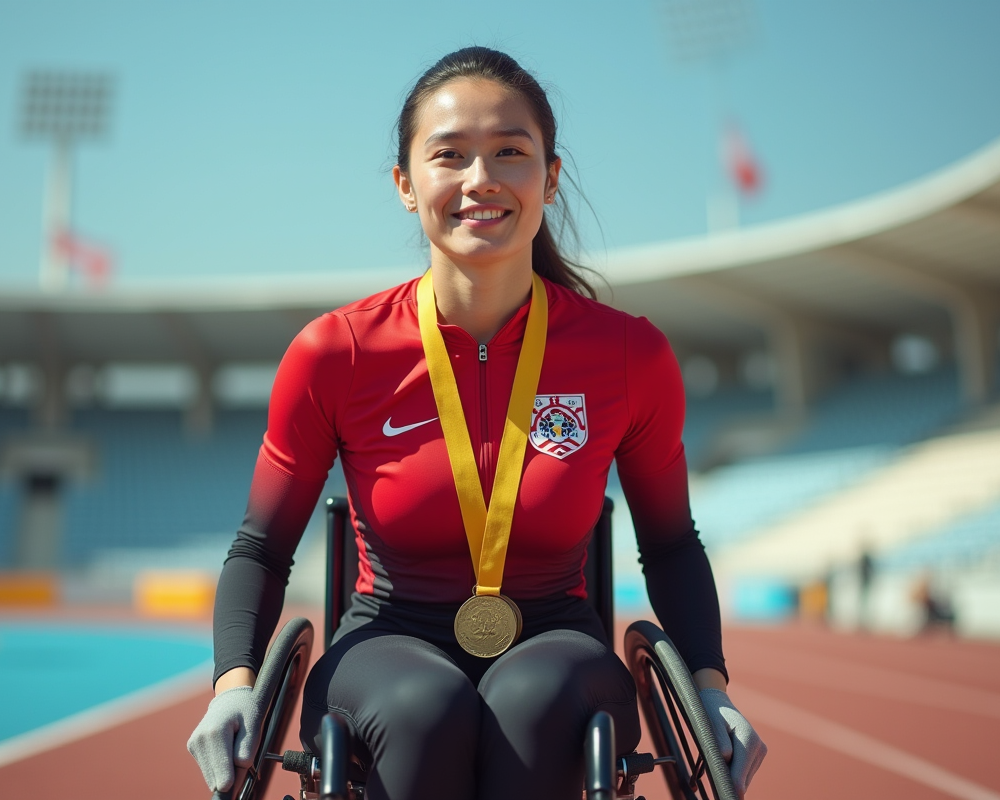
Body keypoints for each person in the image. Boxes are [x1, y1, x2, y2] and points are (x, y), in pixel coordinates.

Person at [188, 47, 767, 800]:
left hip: (558, 639)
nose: (480, 179)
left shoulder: (630, 354)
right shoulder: (338, 352)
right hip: (386, 639)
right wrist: (234, 685)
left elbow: (671, 545)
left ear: (550, 178)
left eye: (510, 153)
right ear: (405, 184)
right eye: (450, 155)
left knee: (535, 705)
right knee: (424, 710)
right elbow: (262, 548)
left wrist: (712, 688)